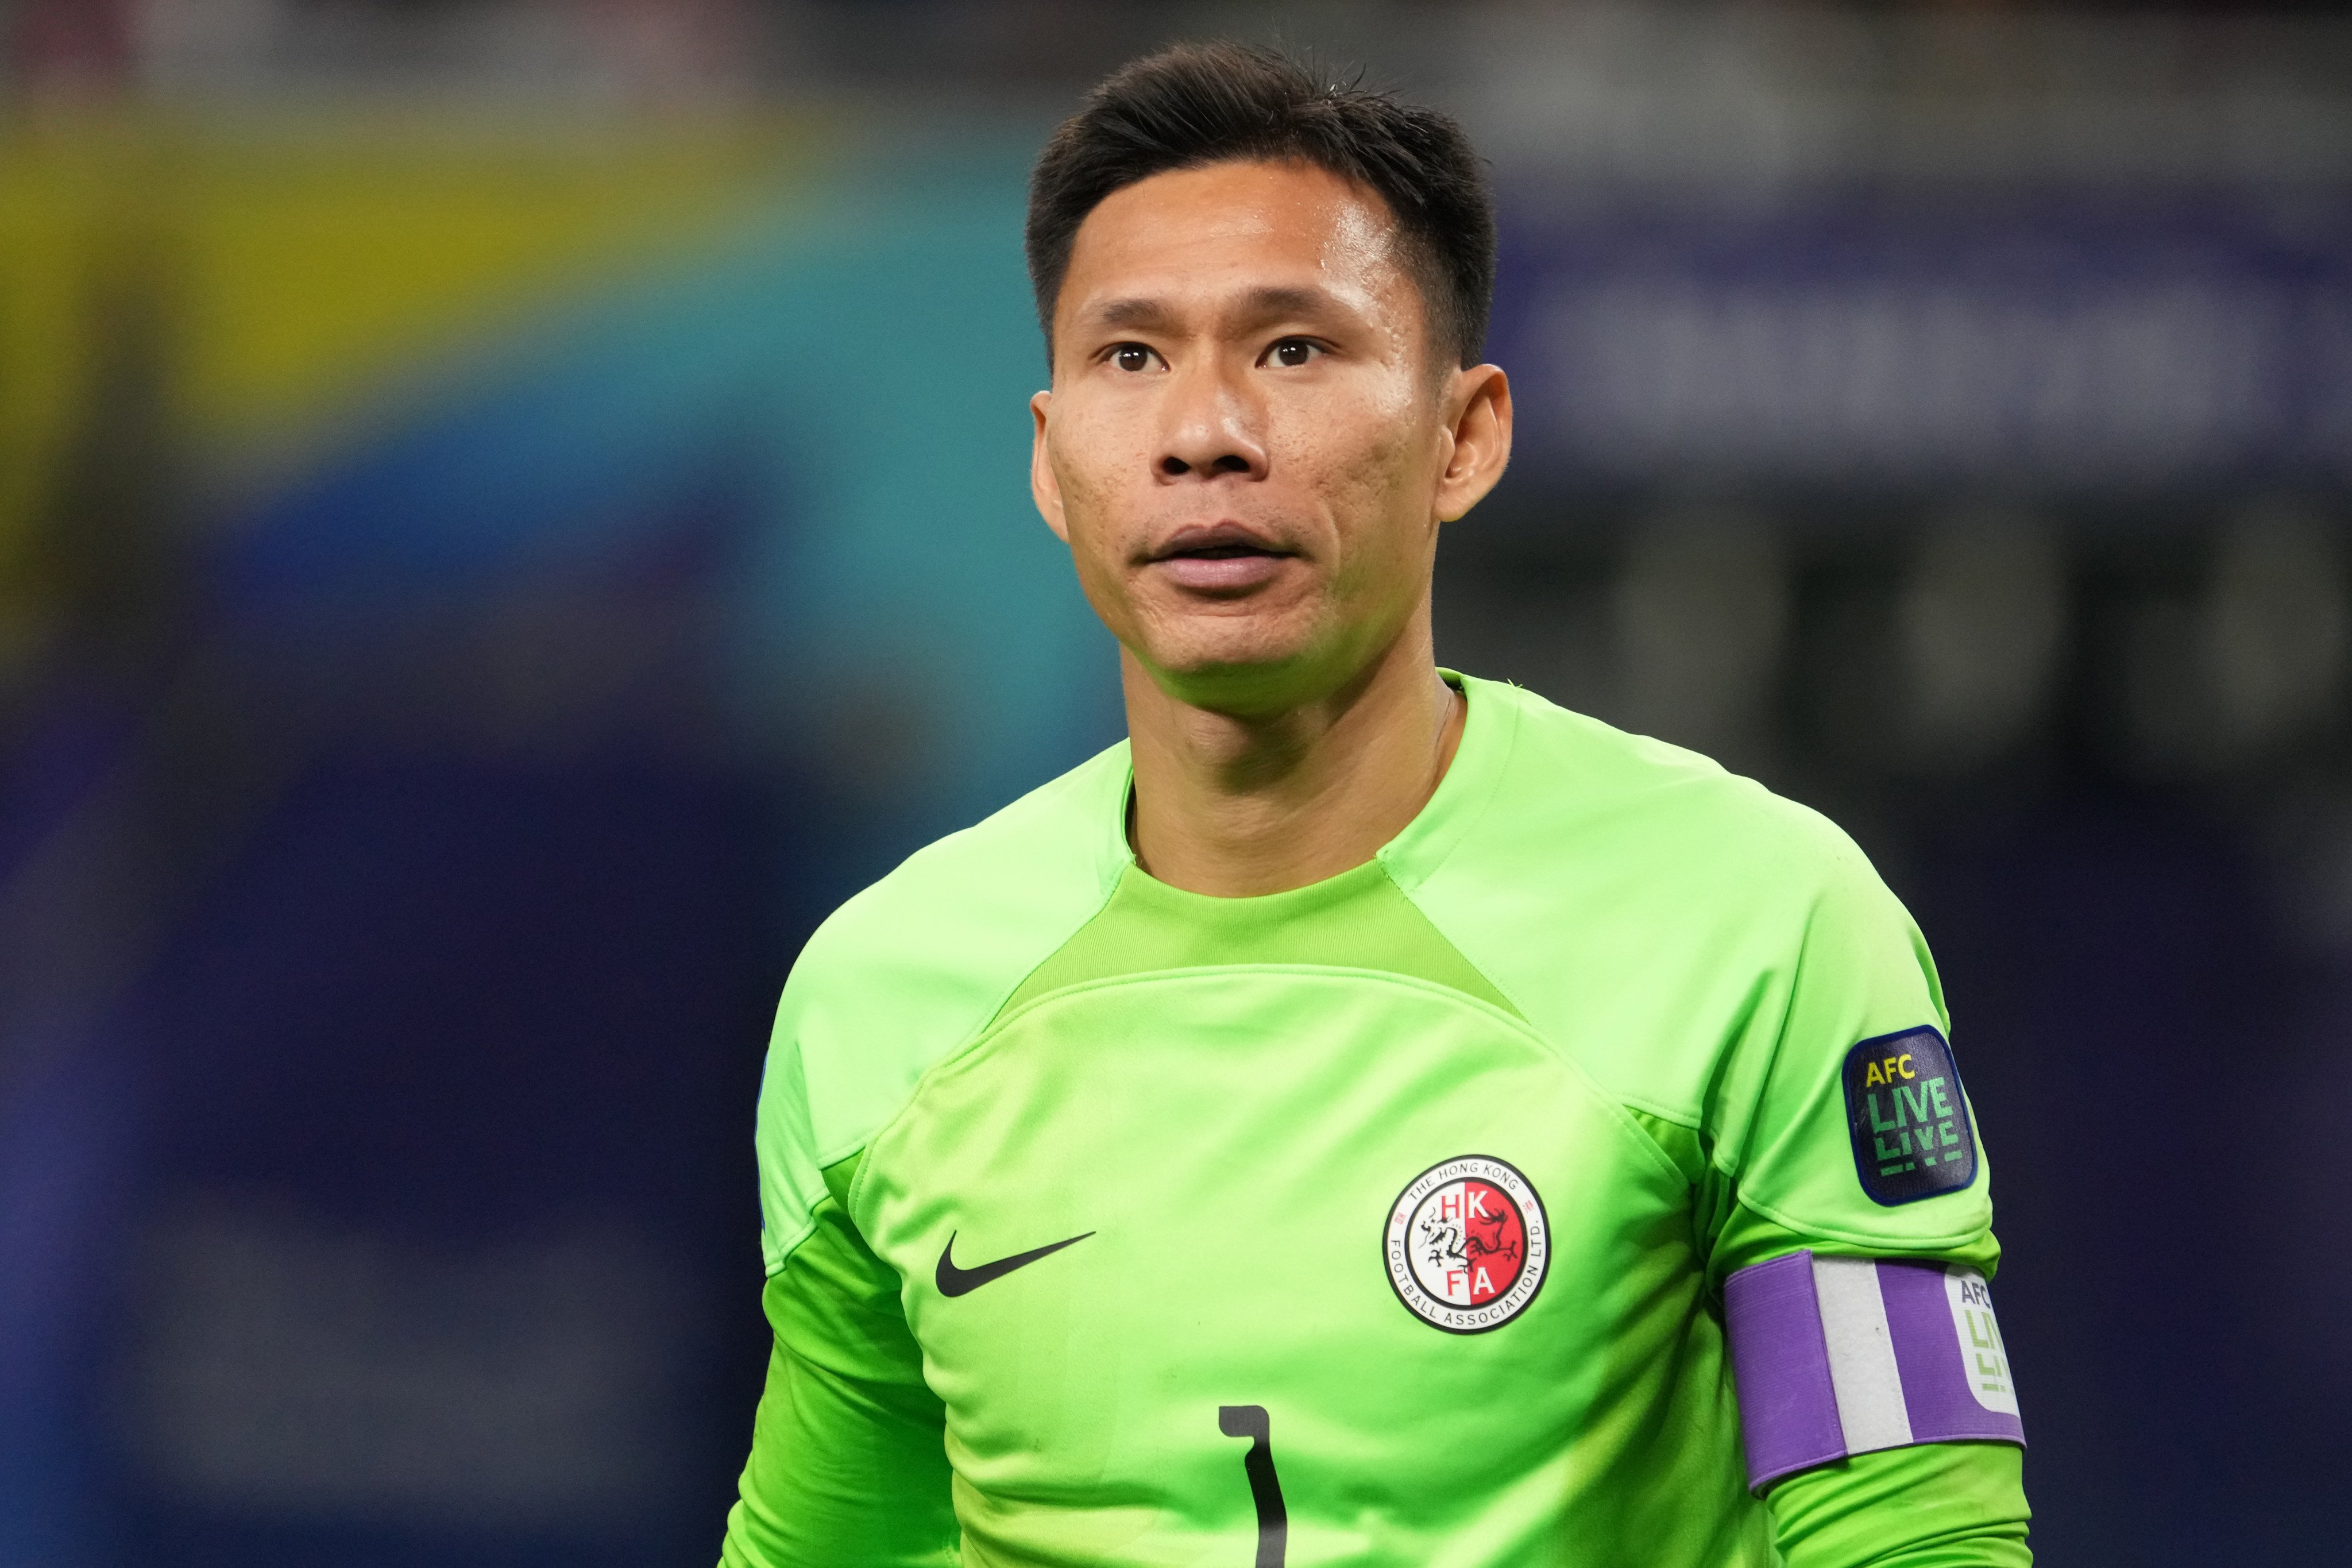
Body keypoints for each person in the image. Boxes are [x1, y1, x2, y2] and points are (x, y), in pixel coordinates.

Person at [718, 41, 2029, 1568]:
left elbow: (1914, 1544)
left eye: (1295, 350)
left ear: (1464, 435)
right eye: (1129, 357)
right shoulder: (879, 992)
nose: (1204, 431)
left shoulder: (1763, 922)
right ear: (1050, 458)